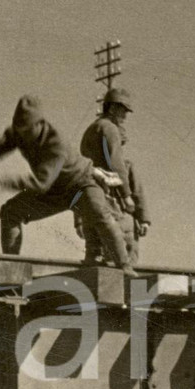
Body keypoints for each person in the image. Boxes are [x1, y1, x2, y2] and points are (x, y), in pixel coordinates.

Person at [0, 95, 134, 276]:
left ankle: (124, 266)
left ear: (39, 124)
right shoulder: (18, 133)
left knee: (99, 213)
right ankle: (12, 267)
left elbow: (40, 183)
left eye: (27, 130)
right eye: (19, 129)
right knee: (10, 212)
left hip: (80, 184)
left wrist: (2, 181)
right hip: (53, 190)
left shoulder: (55, 142)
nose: (23, 135)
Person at [77, 88, 150, 265]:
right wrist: (127, 197)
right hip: (115, 208)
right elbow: (116, 163)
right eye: (123, 111)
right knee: (125, 256)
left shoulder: (89, 132)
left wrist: (78, 220)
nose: (125, 116)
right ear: (112, 109)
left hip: (91, 213)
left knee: (95, 259)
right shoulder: (109, 128)